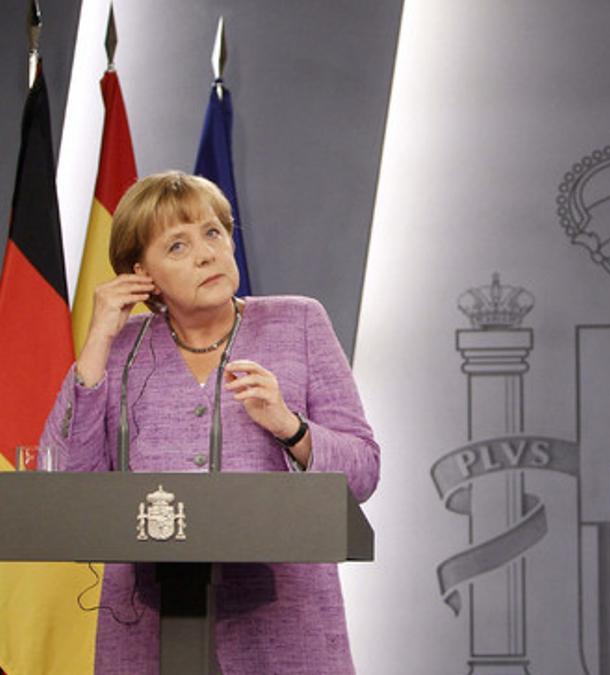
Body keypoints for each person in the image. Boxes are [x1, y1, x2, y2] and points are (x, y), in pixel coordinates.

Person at [39, 171, 380, 674]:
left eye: (213, 233)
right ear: (141, 273)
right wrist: (96, 343)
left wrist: (290, 426)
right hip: (147, 631)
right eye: (178, 245)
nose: (206, 254)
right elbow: (65, 488)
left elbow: (364, 473)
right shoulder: (117, 350)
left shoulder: (299, 323)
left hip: (284, 628)